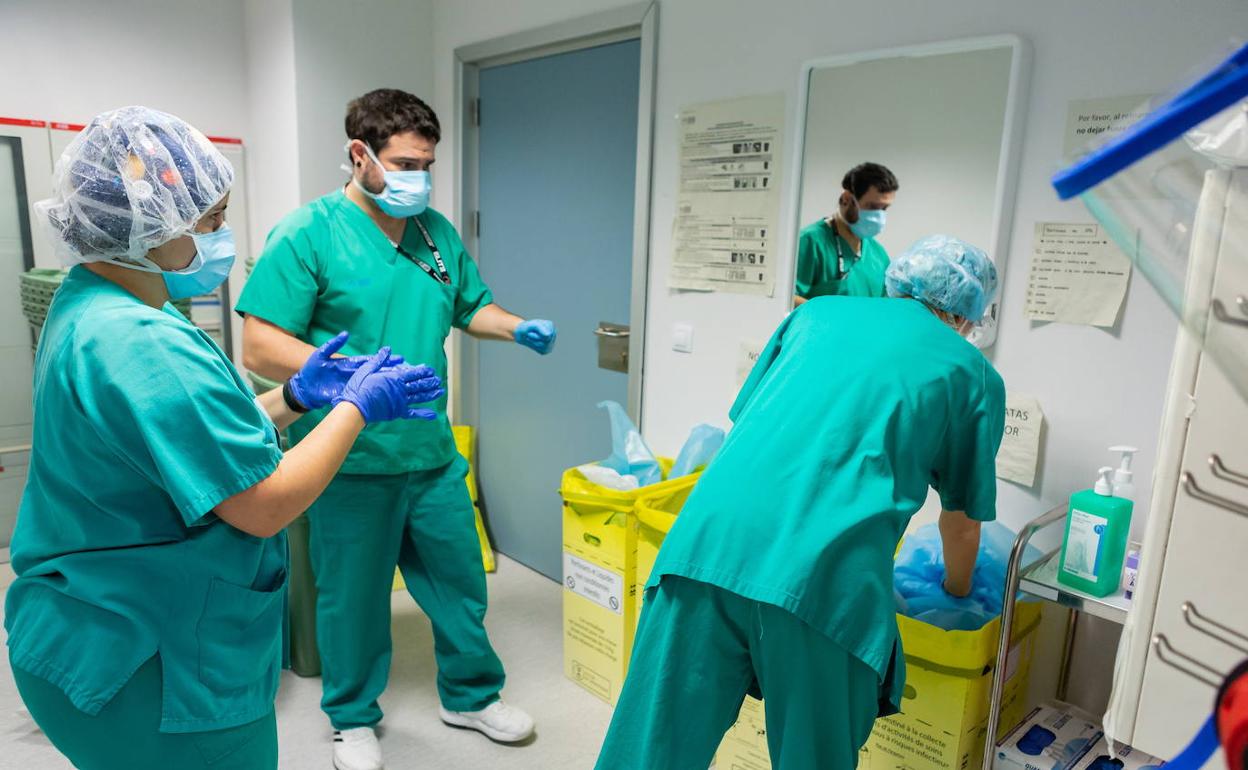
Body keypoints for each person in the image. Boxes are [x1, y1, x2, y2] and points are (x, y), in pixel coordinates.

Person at [4, 107, 444, 770]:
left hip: (83, 627)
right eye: (208, 220)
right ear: (147, 223)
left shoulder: (92, 302)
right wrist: (355, 408)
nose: (220, 237)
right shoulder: (142, 341)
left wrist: (295, 398)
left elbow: (186, 445)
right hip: (151, 659)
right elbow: (262, 502)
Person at [596, 235, 1005, 770]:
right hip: (822, 584)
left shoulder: (814, 316)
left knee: (651, 745)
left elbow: (750, 424)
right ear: (966, 315)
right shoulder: (969, 371)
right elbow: (961, 525)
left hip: (705, 546)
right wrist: (956, 591)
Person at [237, 89, 552, 770]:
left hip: (429, 453)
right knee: (351, 600)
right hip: (346, 457)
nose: (420, 177)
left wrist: (518, 327)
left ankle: (469, 696)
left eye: (427, 163)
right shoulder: (307, 233)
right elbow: (259, 344)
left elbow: (473, 306)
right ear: (360, 155)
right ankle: (351, 718)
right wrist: (353, 373)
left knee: (460, 584)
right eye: (406, 162)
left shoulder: (434, 231)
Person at [794, 161, 899, 306]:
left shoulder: (878, 255)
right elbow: (786, 298)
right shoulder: (809, 242)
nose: (878, 215)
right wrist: (831, 315)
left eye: (884, 208)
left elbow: (884, 305)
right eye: (872, 207)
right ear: (846, 199)